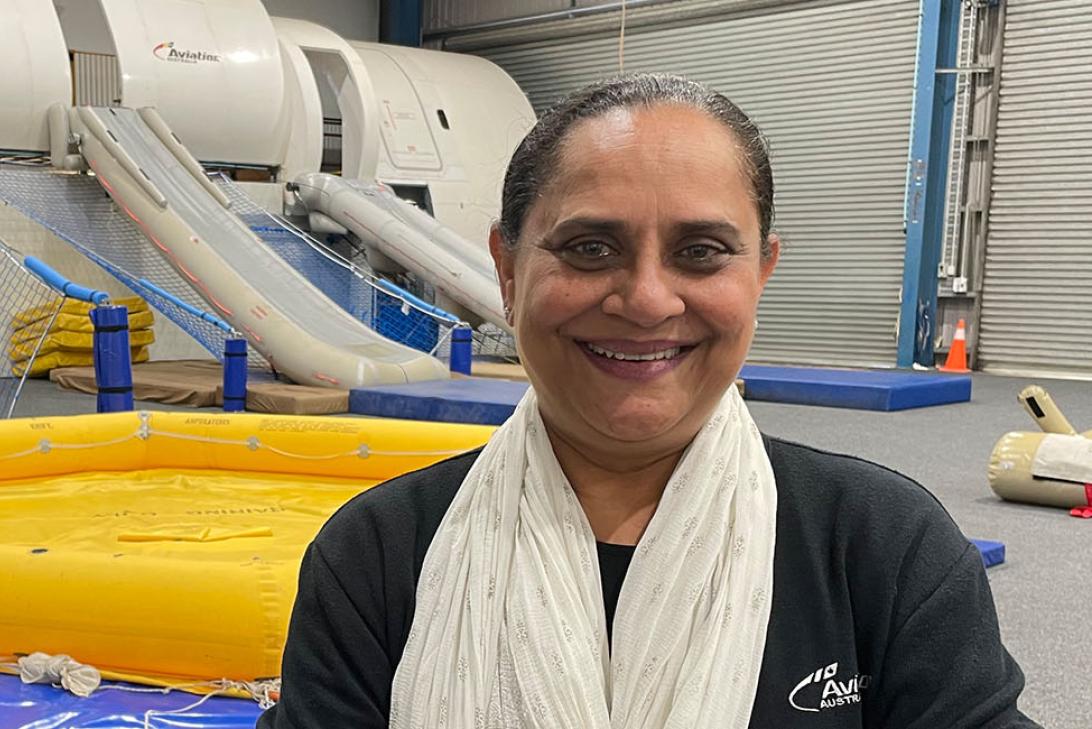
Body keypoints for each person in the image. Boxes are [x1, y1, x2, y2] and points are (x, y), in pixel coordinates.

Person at [258, 73, 1039, 728]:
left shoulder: (881, 548)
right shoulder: (380, 556)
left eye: (701, 253)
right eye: (590, 247)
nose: (647, 299)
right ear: (505, 266)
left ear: (760, 272)